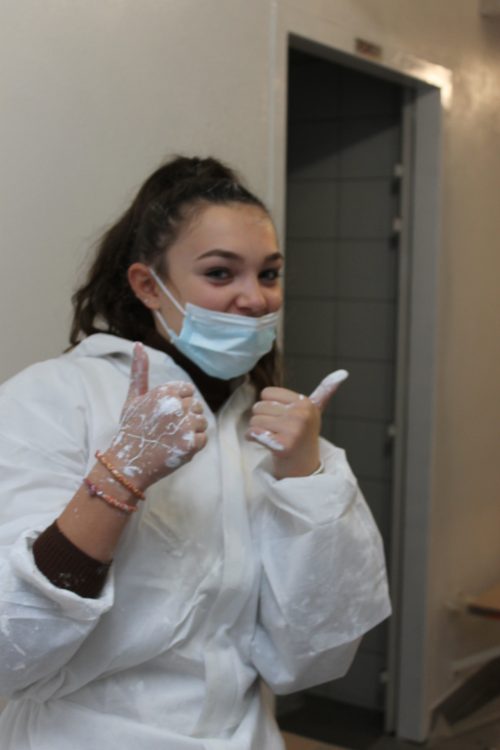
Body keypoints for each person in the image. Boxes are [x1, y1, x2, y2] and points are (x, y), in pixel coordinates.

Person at [0, 156, 390, 749]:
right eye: (220, 273)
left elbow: (314, 655)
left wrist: (307, 478)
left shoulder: (267, 428)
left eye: (269, 274)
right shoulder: (53, 399)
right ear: (147, 286)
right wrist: (119, 477)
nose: (254, 299)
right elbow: (12, 649)